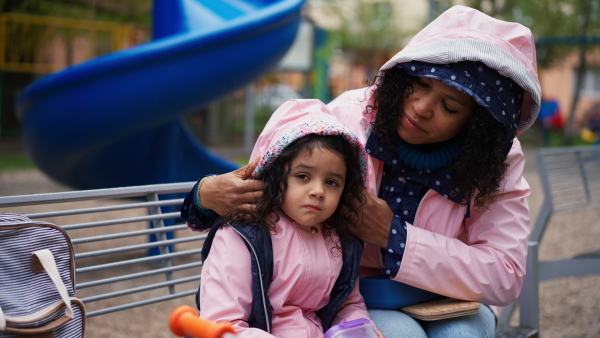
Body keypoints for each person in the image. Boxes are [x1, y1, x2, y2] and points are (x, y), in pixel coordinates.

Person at [182, 5, 541, 338]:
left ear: (477, 125)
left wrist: (395, 235)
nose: (420, 107)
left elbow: (505, 274)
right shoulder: (347, 119)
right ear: (404, 76)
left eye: (449, 105)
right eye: (419, 84)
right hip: (356, 296)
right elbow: (271, 186)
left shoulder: (496, 161)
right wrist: (202, 197)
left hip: (452, 300)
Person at [182, 99, 383, 337]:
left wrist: (360, 328)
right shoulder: (243, 236)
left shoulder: (339, 237)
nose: (318, 191)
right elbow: (223, 324)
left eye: (331, 182)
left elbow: (347, 303)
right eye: (303, 176)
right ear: (277, 176)